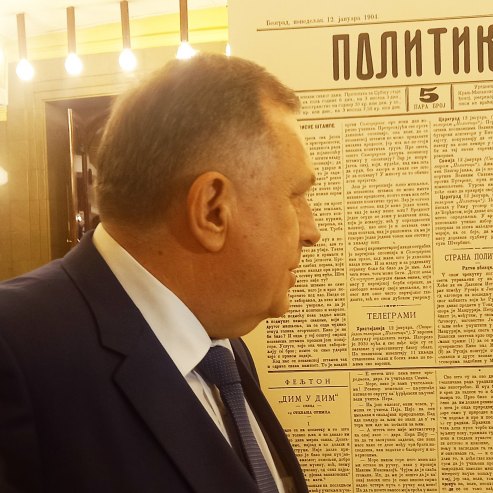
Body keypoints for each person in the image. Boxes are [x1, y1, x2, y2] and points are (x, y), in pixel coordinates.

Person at [0, 54, 320, 492]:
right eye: (296, 196)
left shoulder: (221, 347)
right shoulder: (15, 353)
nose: (312, 231)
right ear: (212, 210)